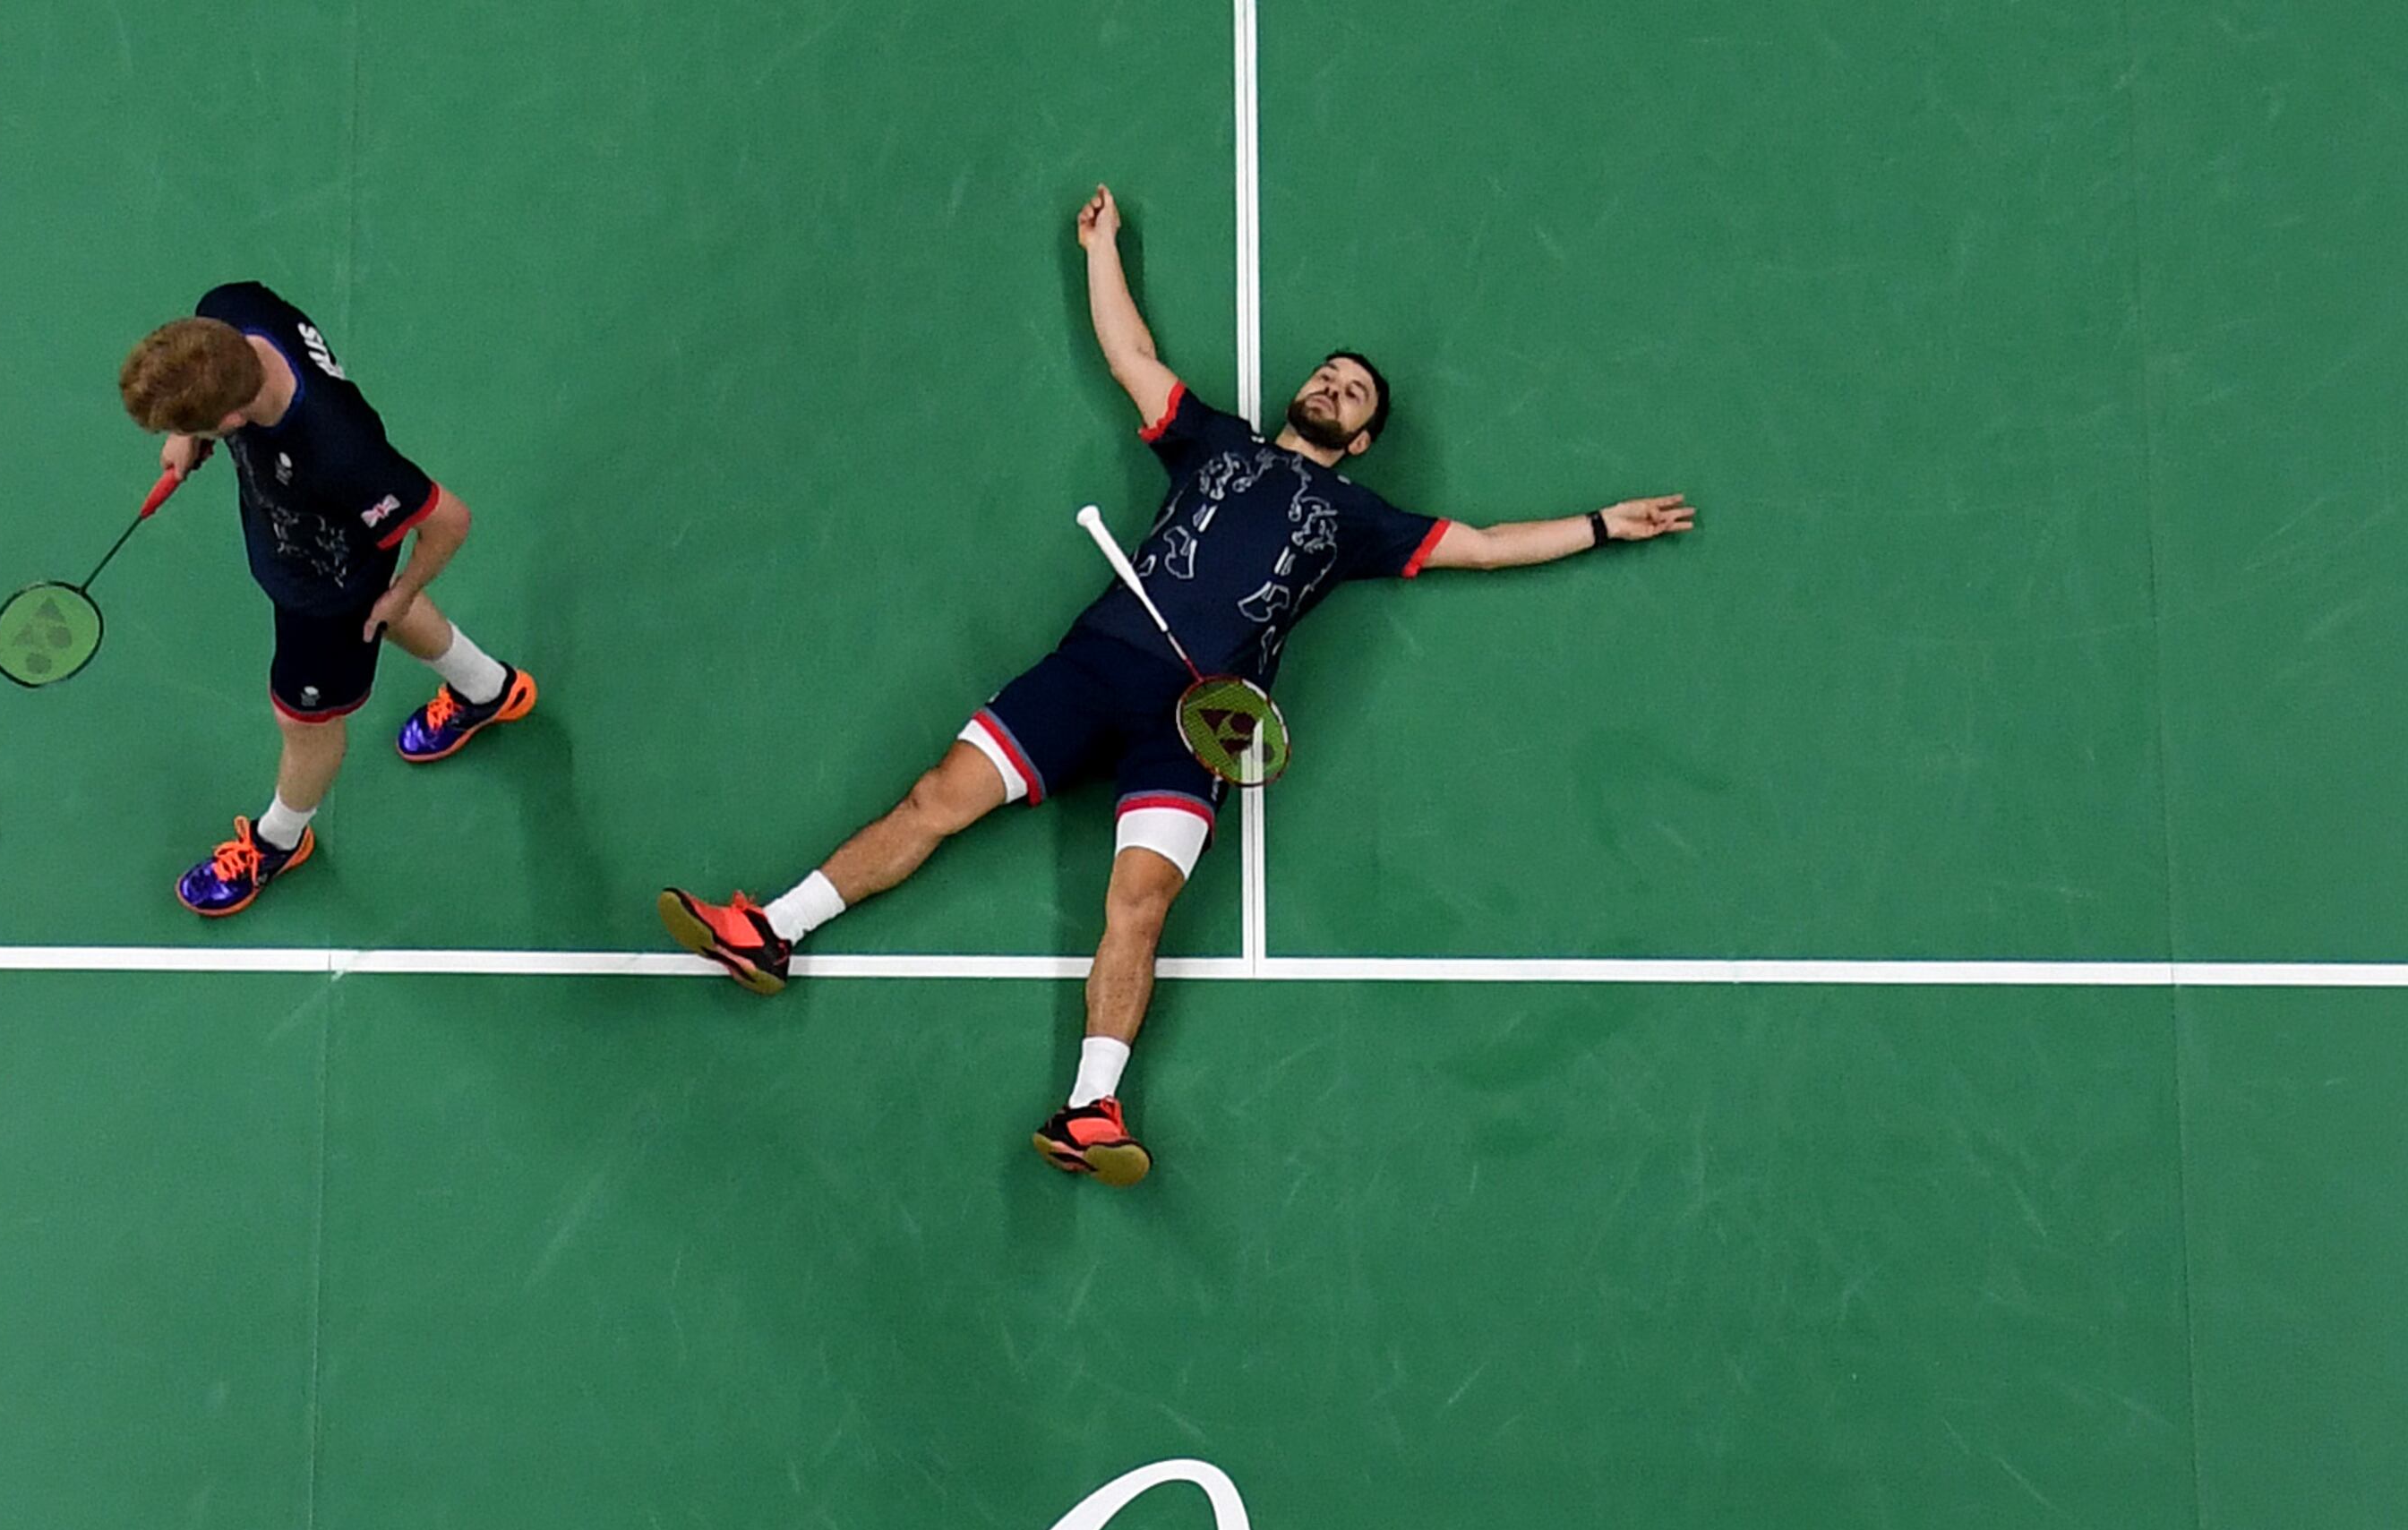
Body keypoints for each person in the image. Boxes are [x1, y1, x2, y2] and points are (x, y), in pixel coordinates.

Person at [658, 185, 1692, 1185]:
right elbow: (1130, 355)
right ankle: (771, 930)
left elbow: (1483, 542)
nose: (1333, 387)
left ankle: (1090, 1107)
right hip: (1095, 665)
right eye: (1328, 375)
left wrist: (1601, 525)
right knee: (937, 798)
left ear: (1365, 437)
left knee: (1138, 904)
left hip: (1202, 725)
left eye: (1353, 392)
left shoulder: (1360, 518)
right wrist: (1101, 250)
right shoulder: (1217, 442)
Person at [116, 283, 538, 916]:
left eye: (194, 426)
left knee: (305, 725)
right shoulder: (232, 311)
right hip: (299, 544)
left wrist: (402, 591)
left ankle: (278, 841)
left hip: (328, 591)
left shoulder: (337, 451)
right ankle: (489, 689)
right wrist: (188, 437)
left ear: (233, 421)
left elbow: (448, 519)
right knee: (383, 619)